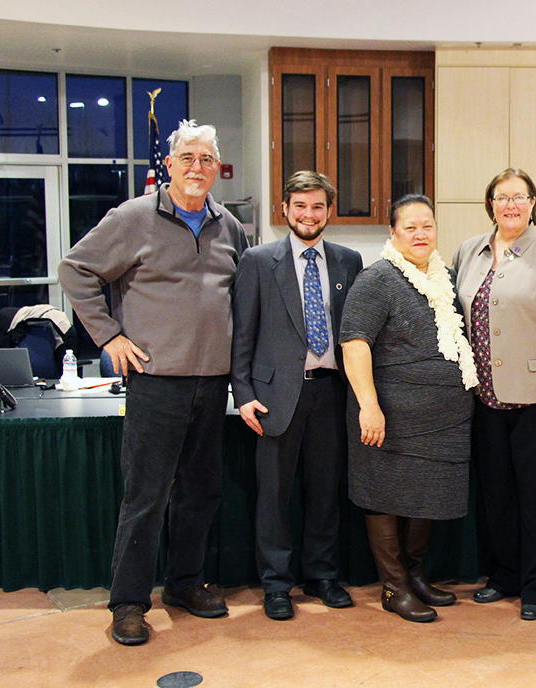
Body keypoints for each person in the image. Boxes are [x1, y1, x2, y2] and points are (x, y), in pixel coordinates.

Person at [58, 120, 248, 646]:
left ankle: (185, 584)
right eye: (187, 157)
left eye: (207, 159)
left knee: (200, 492)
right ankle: (128, 603)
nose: (196, 168)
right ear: (169, 165)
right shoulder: (133, 218)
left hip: (212, 385)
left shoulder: (228, 225)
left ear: (217, 168)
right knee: (146, 497)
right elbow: (74, 269)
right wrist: (109, 336)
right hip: (155, 382)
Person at [230, 171, 363, 621]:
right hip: (274, 398)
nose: (309, 215)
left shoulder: (349, 261)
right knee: (274, 496)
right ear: (284, 210)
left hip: (331, 392)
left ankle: (322, 575)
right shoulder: (257, 260)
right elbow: (241, 335)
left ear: (330, 210)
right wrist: (243, 393)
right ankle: (276, 584)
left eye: (318, 206)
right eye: (300, 206)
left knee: (326, 492)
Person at [453, 168, 536, 622]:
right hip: (484, 399)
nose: (510, 204)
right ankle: (505, 575)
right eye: (502, 197)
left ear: (533, 203)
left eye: (519, 197)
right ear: (490, 203)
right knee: (498, 497)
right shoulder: (469, 251)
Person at [340, 194, 477, 623]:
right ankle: (393, 587)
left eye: (428, 226)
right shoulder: (377, 279)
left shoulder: (445, 278)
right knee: (386, 497)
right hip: (391, 419)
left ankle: (415, 576)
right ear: (393, 233)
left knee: (425, 499)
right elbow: (354, 343)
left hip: (443, 421)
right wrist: (369, 405)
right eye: (410, 227)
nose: (421, 234)